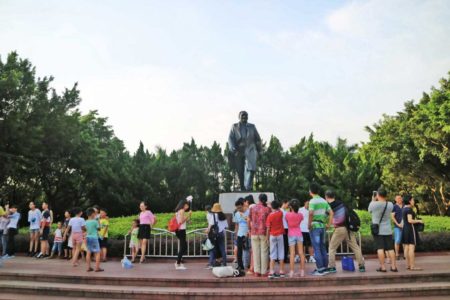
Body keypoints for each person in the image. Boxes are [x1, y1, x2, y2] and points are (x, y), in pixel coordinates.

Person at [325, 190, 365, 273]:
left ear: (326, 197)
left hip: (339, 229)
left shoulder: (329, 206)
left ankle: (332, 267)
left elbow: (324, 216)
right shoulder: (341, 203)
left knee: (332, 248)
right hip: (348, 228)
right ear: (334, 196)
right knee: (355, 247)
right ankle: (361, 266)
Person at [227, 111, 262, 191]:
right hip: (238, 151)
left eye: (246, 116)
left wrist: (259, 150)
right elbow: (230, 139)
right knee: (240, 170)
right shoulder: (234, 126)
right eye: (243, 116)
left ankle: (248, 186)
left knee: (251, 168)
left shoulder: (252, 126)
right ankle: (242, 187)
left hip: (250, 149)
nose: (244, 117)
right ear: (239, 117)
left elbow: (258, 139)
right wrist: (233, 149)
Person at [368, 187, 398, 272]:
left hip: (378, 230)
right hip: (388, 229)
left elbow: (369, 211)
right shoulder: (390, 204)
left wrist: (373, 200)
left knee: (380, 248)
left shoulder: (373, 204)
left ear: (377, 195)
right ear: (386, 195)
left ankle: (383, 267)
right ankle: (393, 267)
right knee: (390, 249)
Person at [308, 183, 333, 276]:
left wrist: (309, 224)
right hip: (322, 226)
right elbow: (331, 213)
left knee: (316, 248)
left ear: (310, 191)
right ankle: (325, 268)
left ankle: (320, 269)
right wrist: (328, 224)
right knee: (322, 247)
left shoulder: (312, 201)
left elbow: (310, 213)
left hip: (315, 226)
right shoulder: (324, 201)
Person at [249, 193, 271, 277]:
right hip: (264, 232)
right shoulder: (267, 209)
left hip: (254, 232)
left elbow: (250, 219)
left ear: (258, 199)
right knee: (264, 252)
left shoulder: (253, 208)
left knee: (255, 252)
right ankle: (263, 271)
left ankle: (256, 271)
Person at [401, 195, 424, 271]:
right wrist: (419, 221)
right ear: (410, 201)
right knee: (411, 248)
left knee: (406, 248)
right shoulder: (409, 209)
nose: (414, 201)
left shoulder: (403, 209)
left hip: (405, 229)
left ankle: (408, 265)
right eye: (413, 200)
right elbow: (410, 220)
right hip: (411, 229)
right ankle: (412, 266)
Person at [285, 199, 305, 278]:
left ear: (291, 207)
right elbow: (300, 222)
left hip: (291, 234)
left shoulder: (287, 215)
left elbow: (287, 222)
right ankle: (302, 271)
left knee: (292, 254)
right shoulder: (300, 215)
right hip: (299, 234)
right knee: (301, 253)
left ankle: (291, 272)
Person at [266, 200, 285, 278]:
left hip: (272, 235)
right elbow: (280, 209)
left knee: (272, 253)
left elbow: (268, 228)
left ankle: (271, 271)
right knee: (281, 252)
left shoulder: (270, 215)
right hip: (280, 235)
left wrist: (267, 238)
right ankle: (281, 271)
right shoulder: (280, 213)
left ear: (272, 207)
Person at [206, 203, 228, 269]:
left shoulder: (214, 215)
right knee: (222, 248)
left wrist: (208, 231)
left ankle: (211, 264)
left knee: (212, 249)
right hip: (221, 233)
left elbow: (211, 224)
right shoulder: (223, 215)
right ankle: (224, 263)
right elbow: (226, 226)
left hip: (214, 234)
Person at [174, 199, 192, 270]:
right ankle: (177, 263)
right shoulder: (182, 211)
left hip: (179, 230)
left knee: (183, 246)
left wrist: (188, 220)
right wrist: (188, 215)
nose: (188, 206)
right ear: (184, 205)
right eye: (187, 205)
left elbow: (181, 220)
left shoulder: (179, 211)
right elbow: (181, 221)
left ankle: (178, 262)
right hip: (181, 230)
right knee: (183, 247)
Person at [85, 207, 103, 272]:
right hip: (94, 238)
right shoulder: (95, 221)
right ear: (92, 214)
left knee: (88, 252)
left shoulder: (86, 222)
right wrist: (98, 221)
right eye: (94, 213)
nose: (95, 214)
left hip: (88, 238)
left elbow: (85, 230)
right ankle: (97, 268)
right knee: (98, 252)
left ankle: (88, 267)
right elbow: (99, 229)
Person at [234, 198, 250, 271]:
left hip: (247, 233)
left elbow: (250, 221)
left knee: (247, 250)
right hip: (240, 233)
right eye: (237, 208)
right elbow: (237, 225)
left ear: (243, 205)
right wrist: (236, 234)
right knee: (239, 251)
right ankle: (240, 266)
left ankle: (248, 264)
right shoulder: (236, 214)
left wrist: (249, 231)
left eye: (240, 207)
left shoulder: (248, 212)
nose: (239, 209)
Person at [243, 195, 255, 274]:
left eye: (245, 201)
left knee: (250, 250)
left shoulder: (250, 208)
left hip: (251, 232)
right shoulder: (257, 206)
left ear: (247, 201)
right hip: (259, 231)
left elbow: (249, 220)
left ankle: (250, 267)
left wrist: (248, 230)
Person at [391, 195, 404, 260]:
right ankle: (397, 254)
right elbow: (392, 217)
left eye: (400, 198)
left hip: (405, 226)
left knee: (405, 240)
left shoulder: (404, 206)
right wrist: (398, 224)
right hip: (397, 226)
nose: (400, 199)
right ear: (395, 199)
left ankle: (405, 254)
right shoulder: (394, 207)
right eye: (398, 198)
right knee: (397, 240)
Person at [281, 199, 290, 264]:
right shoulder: (280, 211)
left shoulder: (285, 211)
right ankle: (283, 258)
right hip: (282, 228)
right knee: (283, 244)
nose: (288, 206)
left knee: (286, 244)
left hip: (286, 228)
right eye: (287, 204)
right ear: (284, 203)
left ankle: (285, 257)